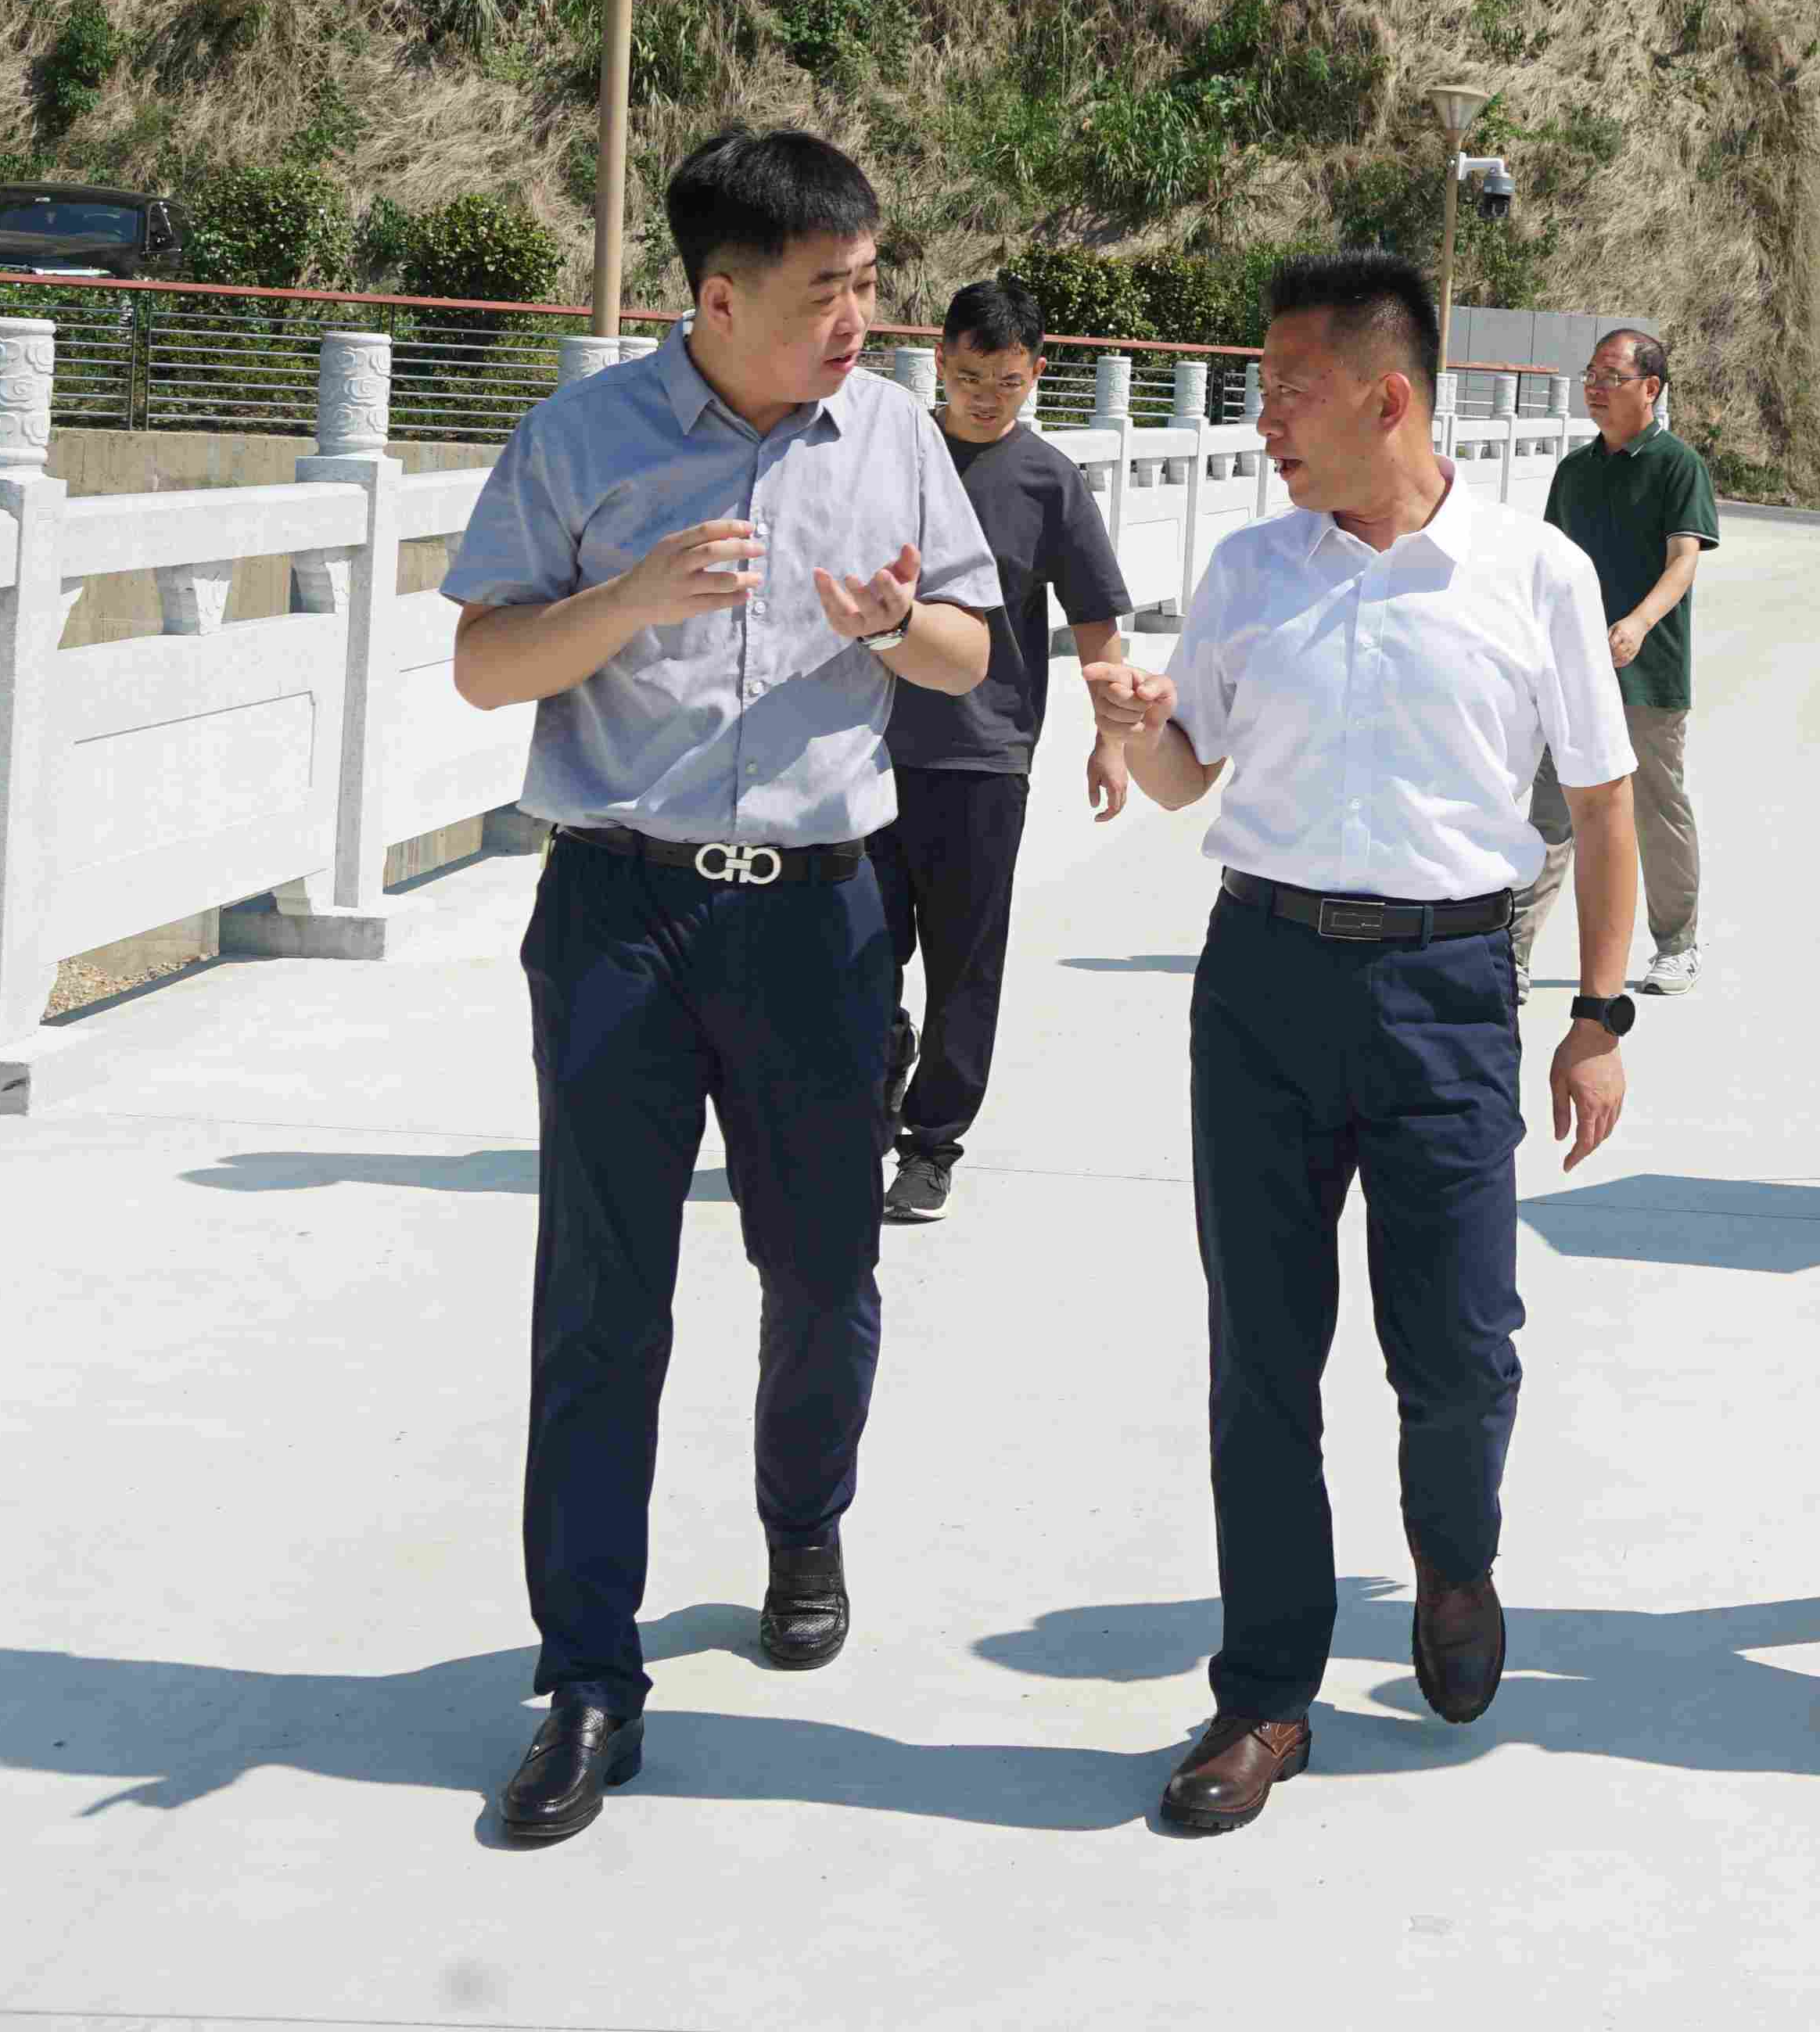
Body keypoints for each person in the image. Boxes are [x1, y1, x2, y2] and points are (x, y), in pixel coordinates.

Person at [440, 129, 1003, 1847]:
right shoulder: (583, 437)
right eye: (829, 289)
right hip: (621, 909)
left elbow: (971, 649)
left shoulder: (894, 435)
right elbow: (484, 663)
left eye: (870, 282)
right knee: (600, 1297)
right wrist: (627, 597)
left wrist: (895, 624)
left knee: (822, 1272)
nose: (860, 317)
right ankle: (587, 1673)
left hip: (822, 917)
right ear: (717, 295)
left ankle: (803, 1519)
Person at [1080, 250, 1640, 1840]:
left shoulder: (1534, 575)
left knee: (1459, 1347)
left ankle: (1454, 1560)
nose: (1265, 416)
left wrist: (1597, 1016)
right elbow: (1188, 774)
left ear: (1387, 397)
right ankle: (1266, 1690)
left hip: (1450, 987)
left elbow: (1602, 808)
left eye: (1289, 388)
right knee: (1262, 1355)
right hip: (1260, 981)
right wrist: (1133, 724)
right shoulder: (1253, 569)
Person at [872, 275, 1138, 1225]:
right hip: (864, 752)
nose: (988, 398)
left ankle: (931, 1144)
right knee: (850, 951)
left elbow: (1097, 623)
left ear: (1038, 373)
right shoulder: (890, 460)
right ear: (939, 362)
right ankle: (875, 1071)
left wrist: (1111, 741)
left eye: (1010, 382)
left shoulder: (1049, 480)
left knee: (965, 963)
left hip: (984, 758)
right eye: (971, 377)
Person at [1520, 326, 1717, 993]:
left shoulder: (1678, 466)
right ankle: (1512, 953)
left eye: (1612, 377)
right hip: (1571, 672)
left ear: (1650, 388)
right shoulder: (1574, 472)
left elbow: (1683, 560)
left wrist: (1638, 622)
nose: (1595, 388)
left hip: (1648, 672)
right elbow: (1546, 565)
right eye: (1591, 376)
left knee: (1655, 808)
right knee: (1551, 811)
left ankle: (1677, 945)